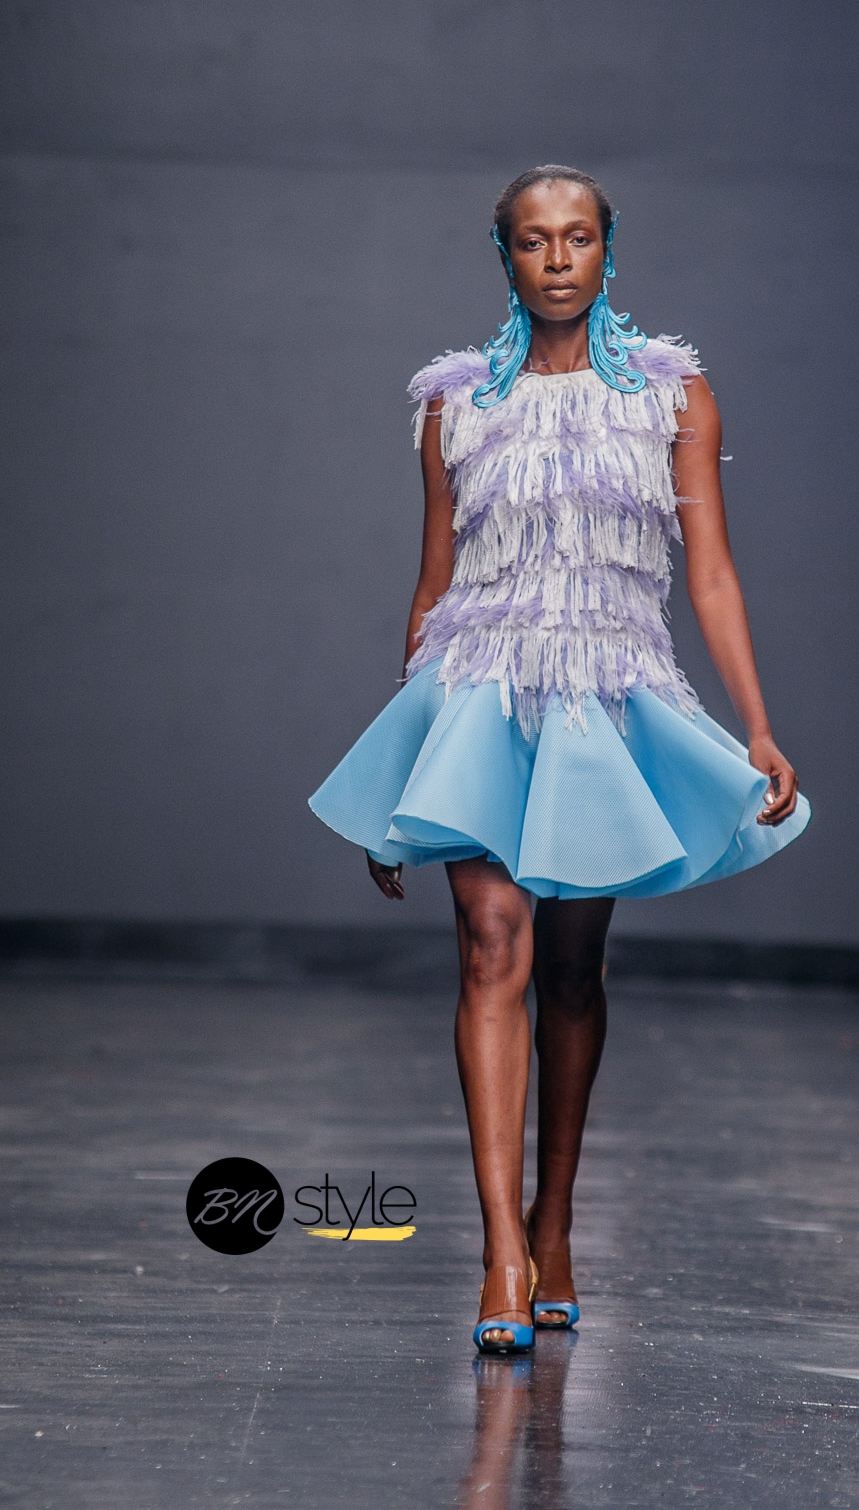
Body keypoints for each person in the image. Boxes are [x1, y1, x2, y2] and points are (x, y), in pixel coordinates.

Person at [309, 165, 810, 1352]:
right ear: (506, 257)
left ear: (607, 249)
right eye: (533, 241)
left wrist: (756, 722)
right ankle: (501, 1254)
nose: (556, 260)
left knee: (572, 973)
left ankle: (557, 1219)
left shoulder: (671, 397)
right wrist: (402, 783)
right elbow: (434, 585)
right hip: (480, 695)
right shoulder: (455, 407)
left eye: (577, 238)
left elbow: (711, 573)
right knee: (492, 949)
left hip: (603, 703)